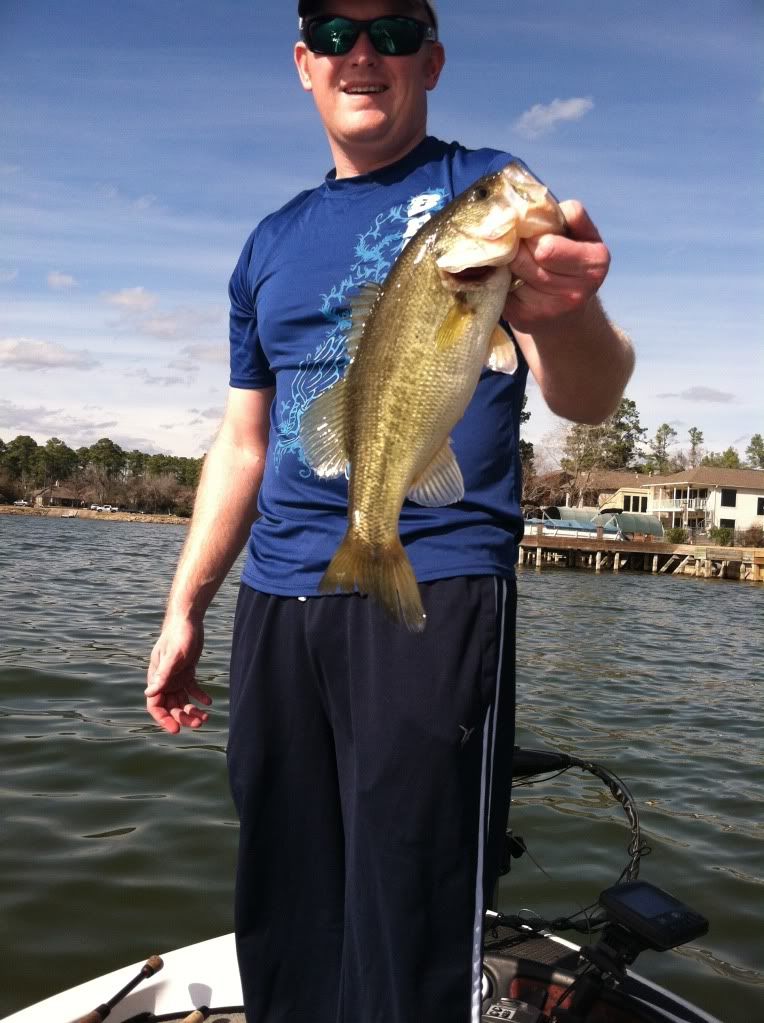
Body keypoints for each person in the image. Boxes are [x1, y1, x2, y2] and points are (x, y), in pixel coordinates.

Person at [145, 1, 634, 1020]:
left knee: (408, 890)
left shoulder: (484, 185)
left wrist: (568, 313)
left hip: (437, 582)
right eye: (335, 34)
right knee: (282, 886)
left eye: (392, 33)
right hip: (278, 596)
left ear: (432, 60)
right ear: (304, 63)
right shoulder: (268, 241)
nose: (361, 54)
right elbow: (242, 443)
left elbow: (588, 398)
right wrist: (185, 608)